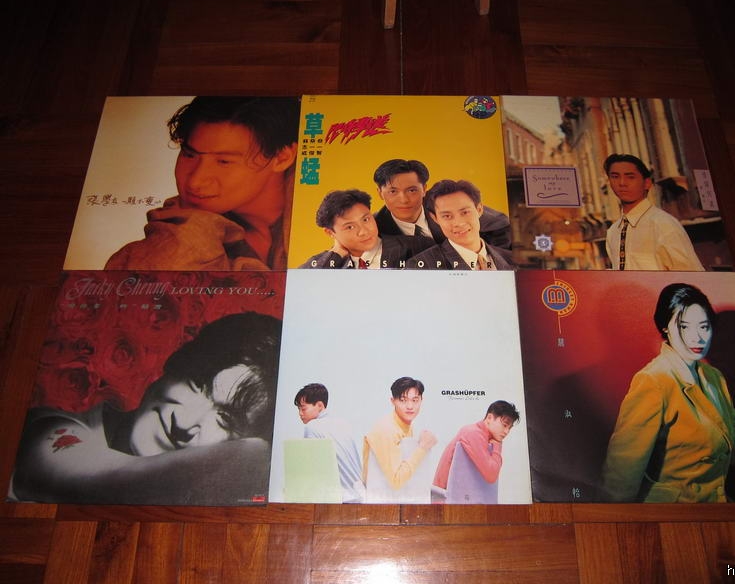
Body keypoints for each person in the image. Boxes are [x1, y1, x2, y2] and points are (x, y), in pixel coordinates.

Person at [11, 312, 282, 505]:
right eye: (196, 384)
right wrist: (259, 453)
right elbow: (101, 484)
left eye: (225, 419)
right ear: (173, 365)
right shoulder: (48, 428)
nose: (183, 423)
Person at [601, 284, 735, 503]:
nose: (697, 338)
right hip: (672, 510)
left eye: (704, 327)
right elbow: (622, 471)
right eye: (684, 327)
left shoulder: (714, 377)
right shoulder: (653, 381)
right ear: (665, 328)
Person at [105, 97, 299, 271]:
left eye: (224, 161)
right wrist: (191, 228)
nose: (195, 181)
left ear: (282, 158)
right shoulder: (176, 231)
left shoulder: (311, 212)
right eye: (189, 155)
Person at [372, 159, 511, 249]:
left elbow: (501, 224)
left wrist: (487, 261)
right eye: (393, 191)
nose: (404, 200)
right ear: (380, 193)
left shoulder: (442, 202)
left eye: (412, 190)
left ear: (424, 189)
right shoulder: (373, 227)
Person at [603, 153, 703, 271]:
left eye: (630, 177)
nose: (622, 183)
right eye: (615, 177)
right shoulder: (613, 232)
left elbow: (692, 275)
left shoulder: (664, 224)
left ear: (647, 183)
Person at [299, 189, 433, 268]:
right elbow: (301, 287)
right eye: (350, 227)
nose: (364, 231)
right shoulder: (325, 262)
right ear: (330, 232)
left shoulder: (418, 246)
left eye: (366, 219)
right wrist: (336, 253)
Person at [406, 180, 514, 270]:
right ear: (435, 218)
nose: (458, 223)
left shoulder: (513, 259)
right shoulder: (420, 266)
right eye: (447, 216)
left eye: (465, 212)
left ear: (479, 209)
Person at [363, 377, 437, 492]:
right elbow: (396, 480)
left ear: (421, 400)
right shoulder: (386, 430)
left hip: (392, 494)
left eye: (415, 400)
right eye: (403, 400)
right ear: (393, 401)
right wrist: (423, 448)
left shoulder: (406, 425)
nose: (410, 406)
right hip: (377, 497)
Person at [294, 383, 365, 502]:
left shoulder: (312, 427)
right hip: (361, 496)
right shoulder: (342, 424)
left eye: (303, 408)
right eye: (299, 409)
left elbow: (310, 470)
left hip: (341, 500)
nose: (300, 413)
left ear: (320, 406)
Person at [433, 400, 519, 492]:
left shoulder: (483, 436)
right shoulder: (474, 433)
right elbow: (491, 475)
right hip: (444, 497)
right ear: (489, 418)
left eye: (509, 428)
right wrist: (498, 445)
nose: (506, 432)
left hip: (455, 495)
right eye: (505, 425)